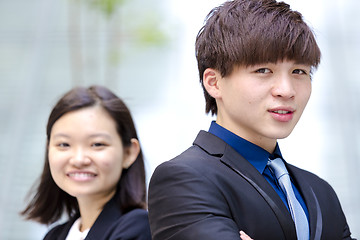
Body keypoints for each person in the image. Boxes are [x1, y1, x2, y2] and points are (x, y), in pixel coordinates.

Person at [148, 0, 356, 240]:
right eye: (263, 71)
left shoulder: (320, 191)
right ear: (214, 82)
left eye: (299, 71)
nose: (286, 90)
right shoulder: (184, 179)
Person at [21, 85, 151, 240]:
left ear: (129, 153)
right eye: (64, 144)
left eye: (97, 144)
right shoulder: (54, 236)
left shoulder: (139, 228)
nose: (79, 159)